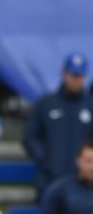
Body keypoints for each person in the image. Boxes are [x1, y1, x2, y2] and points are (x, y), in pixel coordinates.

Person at [24, 53, 93, 195]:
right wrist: (46, 161)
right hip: (50, 179)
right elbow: (30, 137)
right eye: (73, 75)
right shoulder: (46, 104)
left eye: (80, 76)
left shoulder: (90, 105)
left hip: (84, 184)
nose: (76, 80)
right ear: (64, 73)